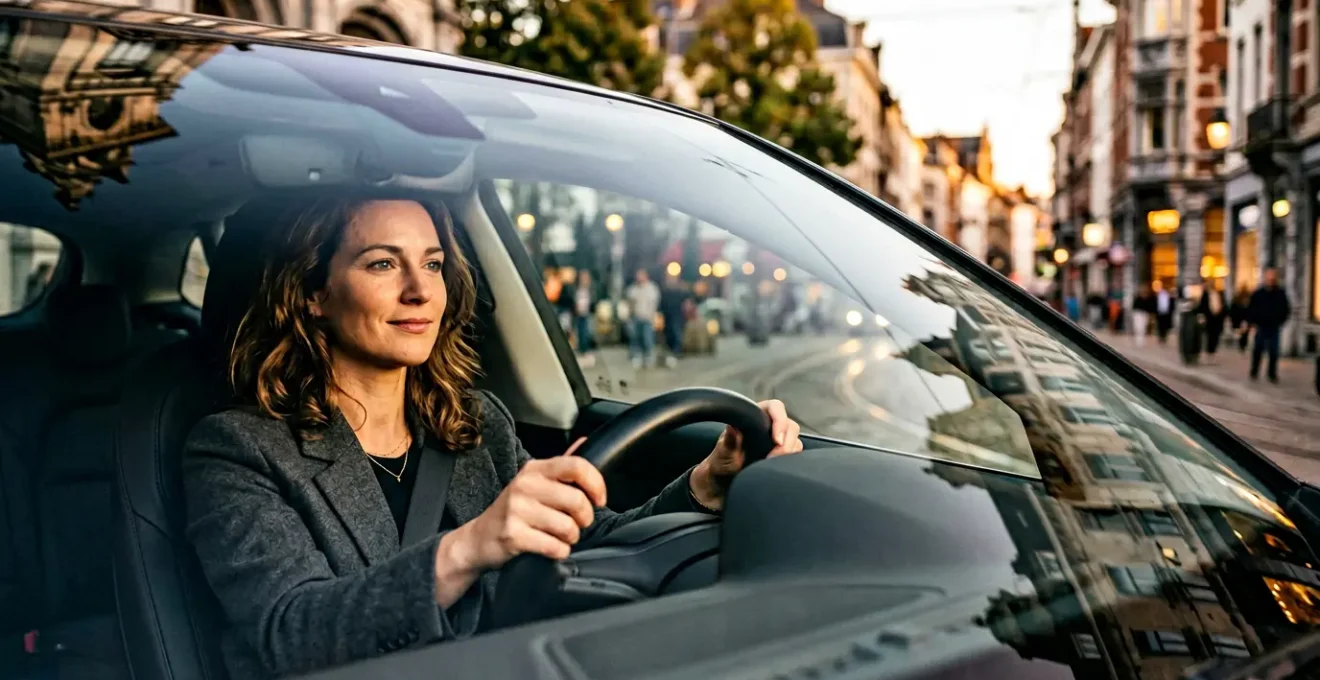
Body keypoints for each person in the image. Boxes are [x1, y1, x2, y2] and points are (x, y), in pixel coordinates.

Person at [182, 195, 804, 680]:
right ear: (313, 294)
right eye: (381, 263)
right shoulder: (237, 449)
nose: (420, 290)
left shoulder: (476, 423)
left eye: (431, 263)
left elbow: (598, 548)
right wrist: (470, 546)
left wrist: (705, 483)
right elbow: (291, 635)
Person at [1246, 267, 1291, 383]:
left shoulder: (1280, 293)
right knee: (1258, 350)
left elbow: (1286, 309)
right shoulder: (1258, 293)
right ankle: (1254, 371)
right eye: (1269, 275)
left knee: (1273, 351)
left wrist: (1280, 321)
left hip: (1274, 326)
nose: (1271, 278)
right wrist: (1252, 322)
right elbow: (1251, 308)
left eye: (1273, 276)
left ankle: (1272, 374)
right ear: (1265, 277)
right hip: (1261, 326)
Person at [625, 268, 660, 368]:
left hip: (647, 318)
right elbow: (629, 304)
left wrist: (651, 316)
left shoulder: (652, 288)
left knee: (647, 338)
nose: (639, 277)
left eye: (641, 275)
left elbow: (654, 303)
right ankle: (636, 357)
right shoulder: (633, 289)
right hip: (636, 318)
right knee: (635, 338)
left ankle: (648, 357)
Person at [1196, 278, 1228, 359]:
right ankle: (1209, 352)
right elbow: (1202, 306)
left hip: (1218, 319)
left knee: (1216, 335)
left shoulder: (1220, 293)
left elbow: (1224, 306)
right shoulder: (1205, 294)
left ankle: (1213, 350)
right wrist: (1201, 316)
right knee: (1209, 335)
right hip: (1209, 319)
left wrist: (1224, 315)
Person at [1230, 285, 1252, 353]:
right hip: (1240, 319)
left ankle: (1242, 346)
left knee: (1244, 333)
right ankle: (1242, 346)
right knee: (1241, 333)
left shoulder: (1248, 299)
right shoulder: (1238, 299)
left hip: (1244, 319)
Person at [1154, 280, 1174, 344]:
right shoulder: (1158, 295)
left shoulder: (1168, 295)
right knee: (1160, 326)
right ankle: (1160, 337)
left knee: (1165, 326)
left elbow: (1170, 304)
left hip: (1166, 313)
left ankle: (1164, 337)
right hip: (1160, 312)